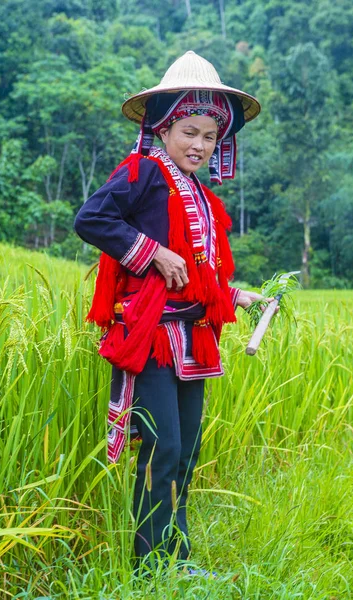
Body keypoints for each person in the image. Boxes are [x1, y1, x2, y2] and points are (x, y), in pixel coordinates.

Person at [74, 51, 267, 568]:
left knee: (185, 451)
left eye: (209, 136)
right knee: (161, 452)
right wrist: (151, 251)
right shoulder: (143, 173)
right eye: (188, 131)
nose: (199, 145)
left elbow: (195, 273)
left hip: (192, 337)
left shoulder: (198, 193)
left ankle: (177, 555)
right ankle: (149, 561)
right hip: (152, 337)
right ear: (162, 128)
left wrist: (235, 297)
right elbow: (91, 218)